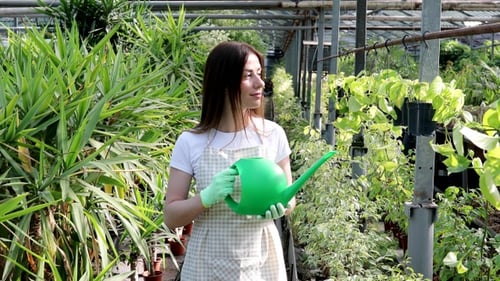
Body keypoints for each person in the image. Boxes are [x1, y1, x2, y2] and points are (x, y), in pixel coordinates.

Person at [164, 41, 295, 281]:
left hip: (261, 259)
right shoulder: (191, 141)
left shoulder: (272, 134)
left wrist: (280, 207)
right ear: (223, 82)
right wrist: (204, 198)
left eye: (259, 74)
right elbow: (171, 216)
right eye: (248, 76)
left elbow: (289, 199)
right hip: (206, 262)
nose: (260, 83)